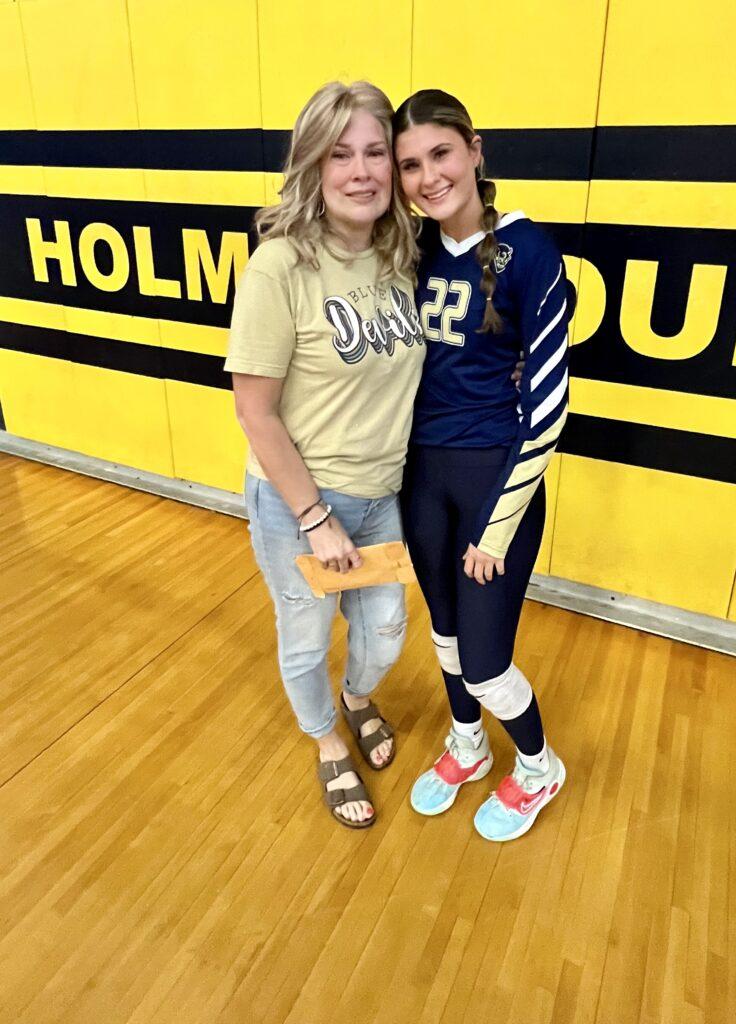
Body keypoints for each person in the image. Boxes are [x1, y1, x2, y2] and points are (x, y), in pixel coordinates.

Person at [224, 81, 425, 829]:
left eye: (376, 152)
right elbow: (254, 410)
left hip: (380, 497)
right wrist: (314, 518)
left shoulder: (399, 254)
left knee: (383, 635)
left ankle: (357, 697)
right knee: (306, 638)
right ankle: (325, 742)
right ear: (312, 165)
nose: (361, 171)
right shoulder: (280, 265)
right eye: (340, 154)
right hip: (299, 504)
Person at [393, 90, 572, 842]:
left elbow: (550, 405)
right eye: (410, 164)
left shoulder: (529, 252)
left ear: (474, 149)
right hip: (419, 480)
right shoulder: (408, 247)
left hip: (495, 482)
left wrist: (496, 530)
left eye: (440, 153)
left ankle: (536, 766)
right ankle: (466, 745)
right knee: (443, 636)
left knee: (488, 660)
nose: (427, 176)